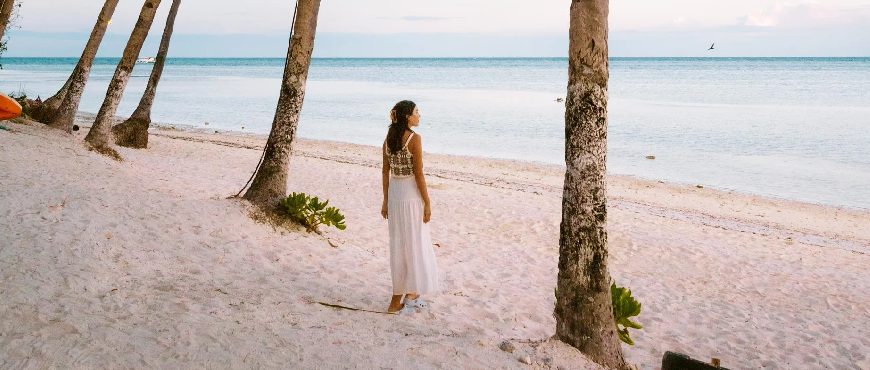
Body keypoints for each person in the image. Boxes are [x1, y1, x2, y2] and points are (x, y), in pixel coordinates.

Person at [381, 100, 439, 314]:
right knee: (415, 242)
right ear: (407, 117)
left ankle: (396, 299)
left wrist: (385, 201)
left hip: (395, 196)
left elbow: (385, 172)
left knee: (398, 245)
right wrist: (427, 202)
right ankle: (412, 292)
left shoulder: (388, 140)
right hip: (411, 196)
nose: (419, 116)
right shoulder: (415, 139)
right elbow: (418, 173)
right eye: (417, 112)